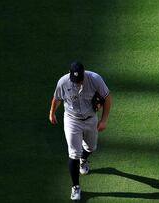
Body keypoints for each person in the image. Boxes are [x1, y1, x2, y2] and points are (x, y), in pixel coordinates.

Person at [49, 62, 111, 200]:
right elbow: (57, 97)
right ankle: (75, 187)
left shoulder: (95, 79)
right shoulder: (63, 81)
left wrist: (104, 120)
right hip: (72, 120)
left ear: (84, 74)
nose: (76, 83)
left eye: (79, 79)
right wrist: (52, 112)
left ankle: (84, 159)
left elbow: (107, 98)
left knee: (91, 147)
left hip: (91, 119)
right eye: (74, 79)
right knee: (73, 153)